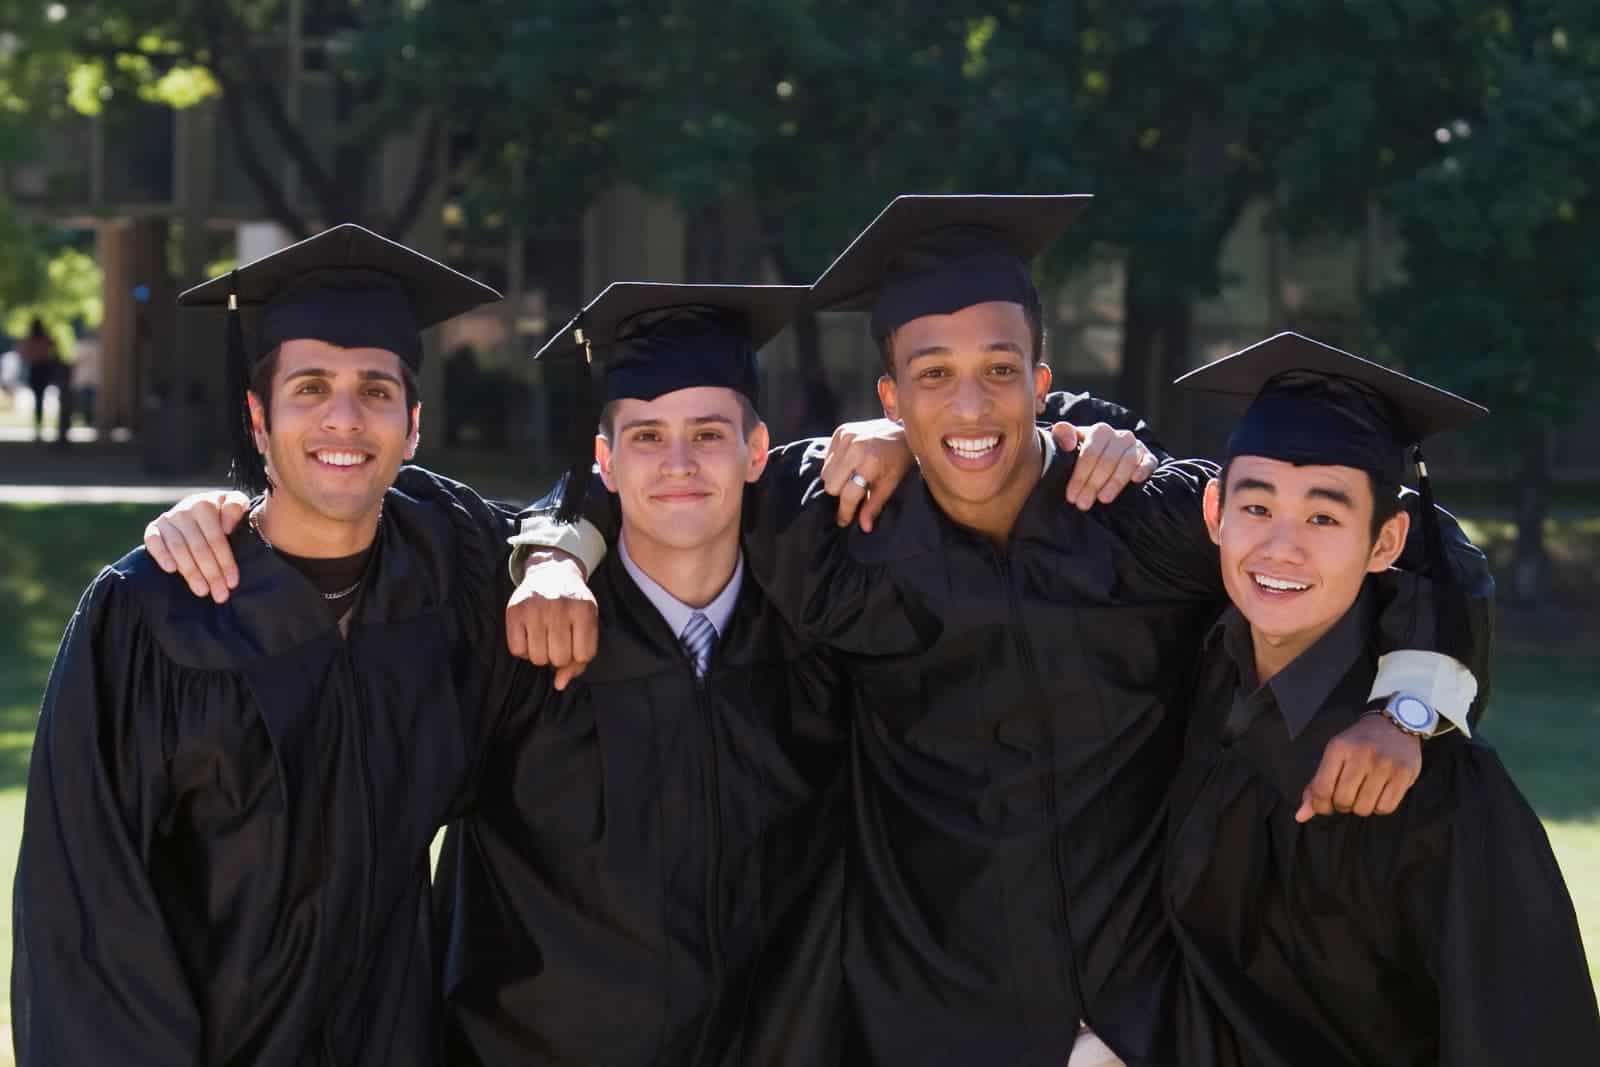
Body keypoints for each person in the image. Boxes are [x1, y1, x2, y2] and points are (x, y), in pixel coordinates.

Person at [506, 195, 1491, 1066]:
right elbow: (657, 464)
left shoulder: (1142, 517)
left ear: (1039, 379)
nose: (968, 405)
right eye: (931, 376)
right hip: (928, 1017)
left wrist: (1408, 703)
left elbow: (1398, 531)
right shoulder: (834, 523)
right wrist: (554, 548)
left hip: (1140, 1017)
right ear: (887, 398)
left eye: (998, 370)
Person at [11, 224, 529, 1066]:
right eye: (310, 387)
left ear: (414, 423)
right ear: (258, 419)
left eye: (375, 390)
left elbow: (591, 514)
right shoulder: (150, 617)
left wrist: (557, 559)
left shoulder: (455, 579)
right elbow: (86, 916)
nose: (343, 418)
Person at [433, 281, 860, 1065]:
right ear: (604, 460)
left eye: (707, 434)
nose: (678, 464)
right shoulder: (521, 636)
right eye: (645, 436)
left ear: (757, 450)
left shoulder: (823, 637)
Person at [1164, 332, 1599, 1066]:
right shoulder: (1197, 681)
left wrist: (1410, 711)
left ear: (1387, 541)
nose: (1281, 547)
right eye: (1257, 505)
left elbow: (1523, 1035)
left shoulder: (1441, 793)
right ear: (1214, 512)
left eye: (1325, 517)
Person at [17, 317, 60, 442]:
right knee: (39, 399)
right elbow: (54, 350)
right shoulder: (44, 339)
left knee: (38, 399)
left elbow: (23, 354)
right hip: (42, 370)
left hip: (36, 370)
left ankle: (38, 426)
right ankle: (39, 426)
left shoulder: (30, 340)